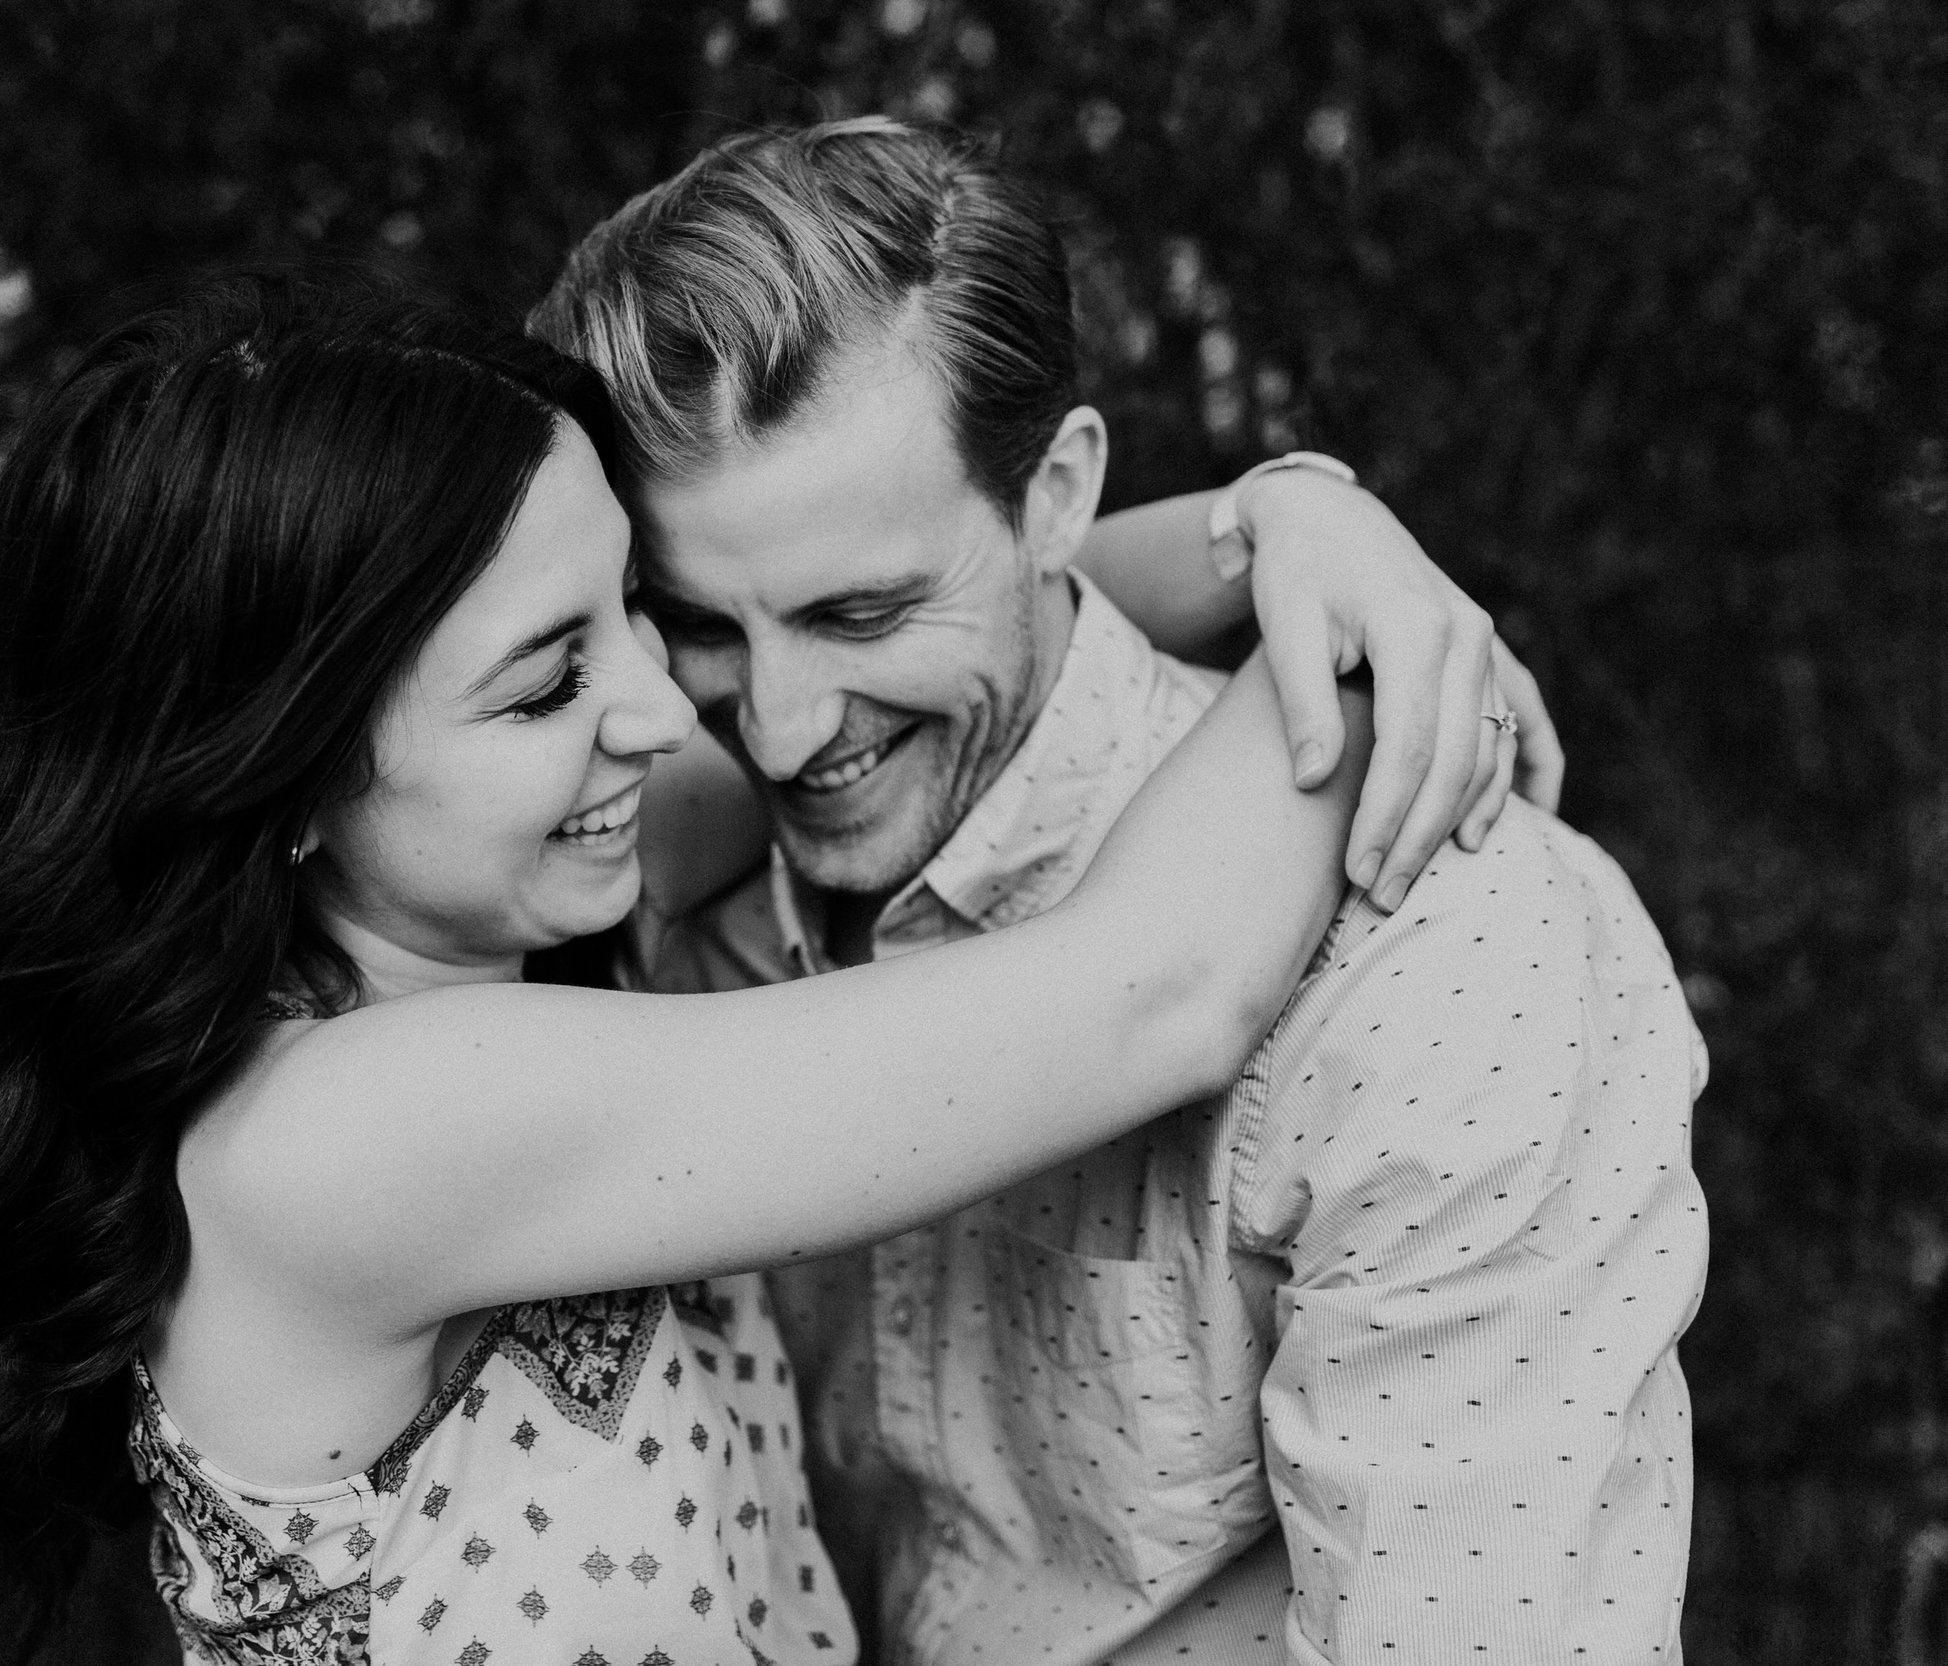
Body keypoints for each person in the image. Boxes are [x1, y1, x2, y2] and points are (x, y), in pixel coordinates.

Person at [0, 270, 1528, 1666]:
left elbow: (958, 628)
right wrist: (1370, 664)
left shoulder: (463, 924)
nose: (674, 706)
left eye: (647, 607)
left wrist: (1289, 523)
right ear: (290, 780)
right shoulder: (355, 1132)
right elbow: (1161, 990)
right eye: (551, 676)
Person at [531, 116, 1710, 1663]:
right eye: (696, 623)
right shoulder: (642, 884)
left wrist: (1292, 510)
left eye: (864, 609)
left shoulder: (1440, 965)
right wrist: (1280, 508)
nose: (780, 723)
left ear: (1057, 494)